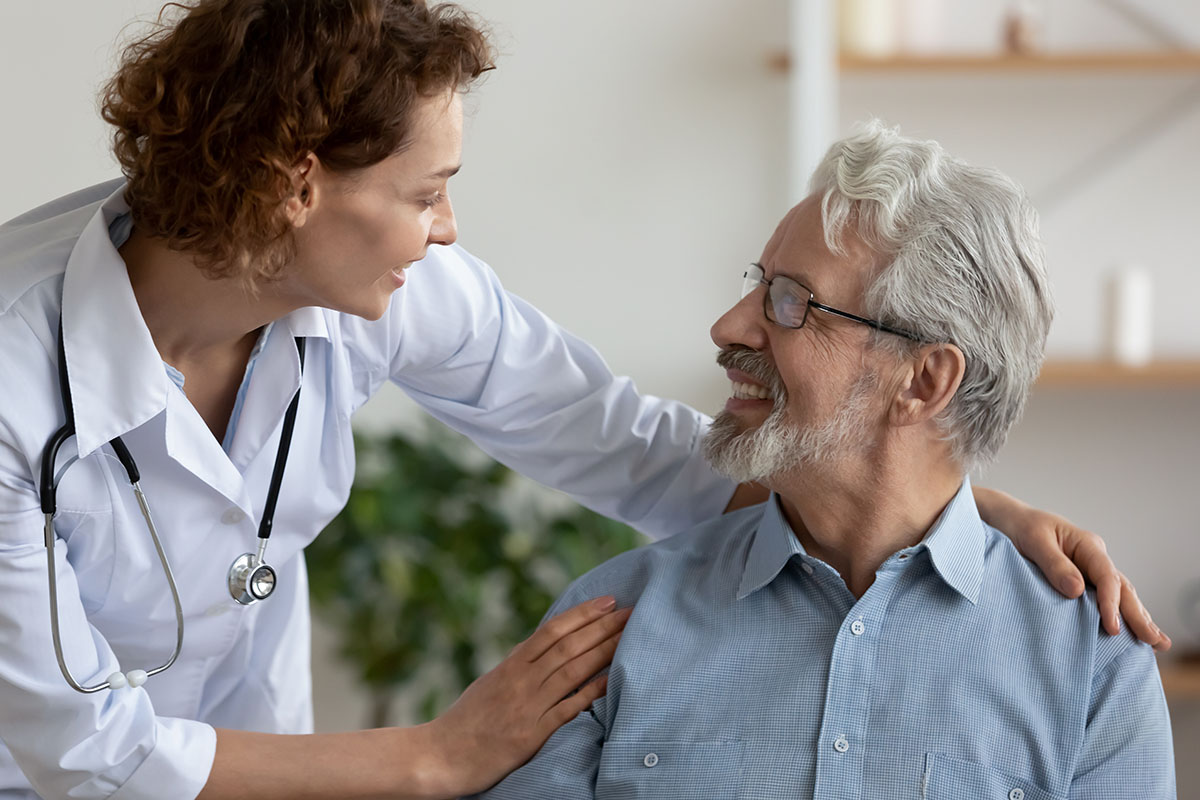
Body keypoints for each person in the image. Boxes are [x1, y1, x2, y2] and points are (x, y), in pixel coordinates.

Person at [0, 3, 1163, 799]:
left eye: (790, 301)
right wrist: (435, 757)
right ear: (294, 187)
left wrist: (951, 508)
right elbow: (82, 743)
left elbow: (628, 445)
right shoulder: (16, 371)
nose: (446, 228)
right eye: (427, 191)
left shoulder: (383, 284)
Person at [474, 122, 1175, 800]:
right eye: (759, 284)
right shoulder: (610, 626)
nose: (727, 327)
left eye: (791, 302)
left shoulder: (1094, 663)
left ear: (924, 380)